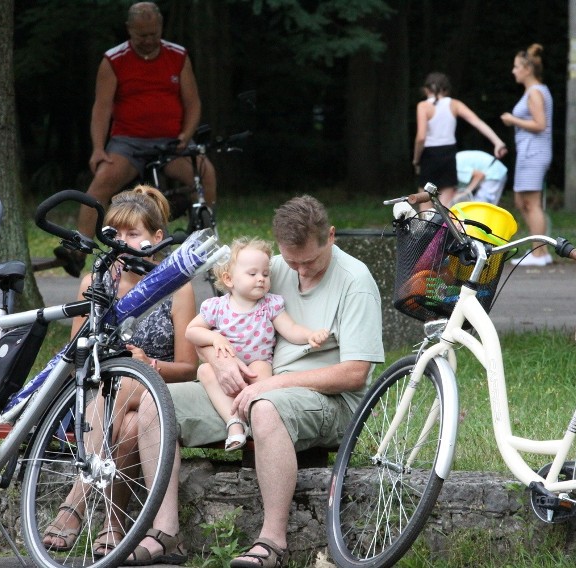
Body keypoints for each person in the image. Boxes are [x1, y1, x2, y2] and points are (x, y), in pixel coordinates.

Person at [131, 195, 385, 567]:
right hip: (253, 386)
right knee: (156, 402)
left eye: (310, 261)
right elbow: (213, 328)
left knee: (265, 408)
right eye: (292, 260)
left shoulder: (355, 282)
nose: (300, 271)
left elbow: (354, 374)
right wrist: (218, 364)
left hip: (328, 400)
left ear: (331, 236)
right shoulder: (271, 268)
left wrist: (269, 387)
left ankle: (273, 543)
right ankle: (166, 534)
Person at [39, 185, 198, 558]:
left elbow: (190, 369)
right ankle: (113, 522)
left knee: (129, 381)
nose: (122, 243)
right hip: (96, 398)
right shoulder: (96, 284)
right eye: (115, 235)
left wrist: (150, 365)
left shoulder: (177, 289)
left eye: (134, 234)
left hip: (157, 390)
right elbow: (74, 357)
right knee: (124, 420)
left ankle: (75, 503)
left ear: (156, 239)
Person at [55, 1, 217, 277]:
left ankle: (207, 237)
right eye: (141, 35)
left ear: (161, 28)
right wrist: (97, 148)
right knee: (101, 182)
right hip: (128, 141)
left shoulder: (178, 56)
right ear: (129, 30)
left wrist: (186, 135)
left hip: (171, 141)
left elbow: (192, 103)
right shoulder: (113, 60)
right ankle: (78, 248)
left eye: (153, 34)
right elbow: (102, 108)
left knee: (204, 171)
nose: (148, 41)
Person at [186, 237, 330, 452]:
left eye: (265, 274)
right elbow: (192, 331)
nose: (261, 279)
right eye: (252, 274)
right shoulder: (216, 308)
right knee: (205, 370)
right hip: (224, 367)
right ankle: (234, 422)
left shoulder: (269, 305)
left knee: (262, 369)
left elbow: (290, 329)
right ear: (229, 279)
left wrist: (310, 335)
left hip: (255, 365)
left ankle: (256, 420)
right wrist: (215, 338)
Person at [412, 72, 507, 207]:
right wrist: (498, 142)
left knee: (426, 206)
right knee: (445, 208)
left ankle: (426, 227)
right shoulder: (455, 104)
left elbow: (421, 137)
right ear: (446, 89)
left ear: (426, 89)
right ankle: (444, 228)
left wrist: (416, 160)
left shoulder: (423, 106)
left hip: (429, 156)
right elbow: (477, 122)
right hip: (448, 156)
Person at [500, 44, 554, 267]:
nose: (513, 71)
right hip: (528, 152)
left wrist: (513, 120)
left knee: (531, 203)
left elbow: (540, 124)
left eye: (516, 67)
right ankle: (538, 250)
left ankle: (540, 254)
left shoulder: (535, 93)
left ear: (528, 69)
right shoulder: (534, 92)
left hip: (534, 152)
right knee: (522, 202)